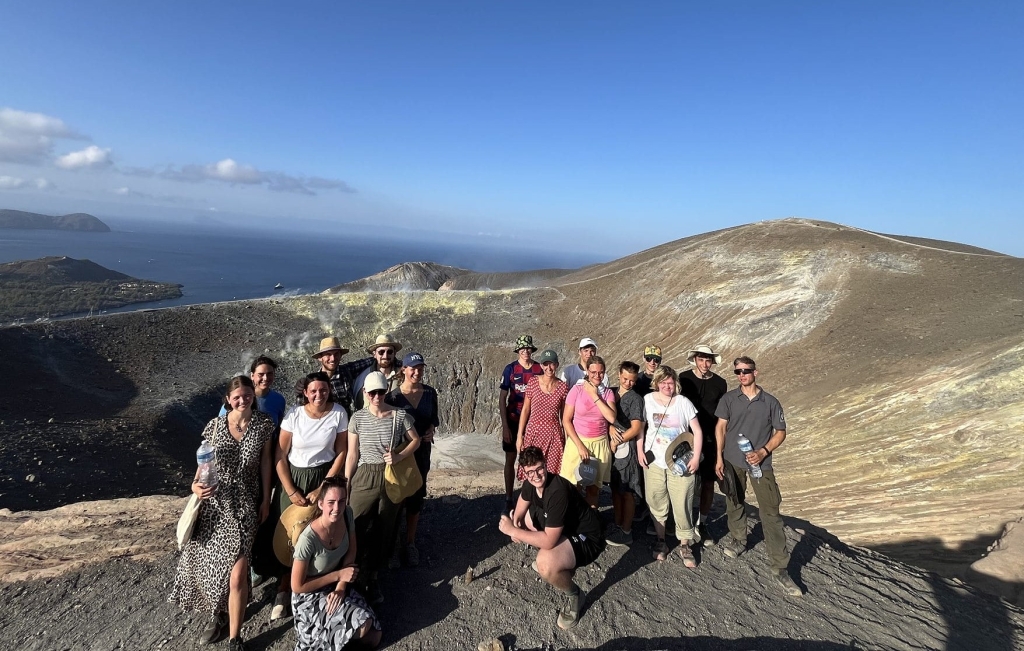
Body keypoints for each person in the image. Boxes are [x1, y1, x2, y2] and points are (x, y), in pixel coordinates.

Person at [170, 376, 275, 651]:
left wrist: (265, 499)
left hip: (245, 505)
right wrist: (194, 485)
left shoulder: (264, 425)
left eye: (247, 394)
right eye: (237, 396)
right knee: (213, 567)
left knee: (238, 572)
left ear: (253, 394)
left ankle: (235, 636)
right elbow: (204, 462)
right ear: (228, 399)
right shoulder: (215, 426)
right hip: (215, 505)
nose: (243, 400)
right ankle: (219, 613)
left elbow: (265, 463)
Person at [715, 356, 802, 596]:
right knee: (734, 500)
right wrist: (719, 457)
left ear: (756, 372)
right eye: (738, 372)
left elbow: (780, 432)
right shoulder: (729, 399)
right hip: (733, 459)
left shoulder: (770, 402)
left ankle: (780, 567)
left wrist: (764, 451)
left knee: (771, 512)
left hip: (761, 465)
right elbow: (720, 427)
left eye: (746, 371)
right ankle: (738, 539)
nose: (742, 375)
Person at [271, 372, 350, 620]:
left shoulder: (338, 413)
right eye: (313, 391)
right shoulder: (294, 415)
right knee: (291, 533)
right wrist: (291, 490)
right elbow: (280, 455)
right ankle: (286, 587)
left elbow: (341, 452)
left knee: (321, 530)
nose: (319, 395)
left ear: (329, 390)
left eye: (323, 390)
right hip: (294, 477)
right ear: (305, 392)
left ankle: (321, 582)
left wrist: (324, 487)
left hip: (323, 476)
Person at [499, 446, 606, 630]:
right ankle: (562, 561)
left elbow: (548, 540)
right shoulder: (530, 483)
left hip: (588, 537)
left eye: (539, 468)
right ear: (524, 473)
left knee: (545, 564)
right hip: (566, 528)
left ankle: (575, 595)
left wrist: (513, 531)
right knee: (525, 519)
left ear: (546, 465)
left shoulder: (557, 491)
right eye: (530, 472)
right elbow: (520, 508)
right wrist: (515, 522)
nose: (536, 475)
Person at [345, 371, 420, 605]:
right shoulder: (356, 418)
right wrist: (347, 483)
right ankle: (351, 576)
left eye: (380, 391)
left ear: (386, 391)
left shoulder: (400, 415)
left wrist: (399, 456)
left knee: (385, 527)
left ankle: (374, 575)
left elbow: (415, 440)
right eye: (372, 392)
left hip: (389, 476)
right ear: (365, 394)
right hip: (365, 475)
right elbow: (352, 454)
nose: (377, 396)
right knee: (355, 523)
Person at [217, 356, 287, 585]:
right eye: (261, 374)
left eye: (269, 374)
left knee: (261, 516)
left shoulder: (278, 400)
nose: (265, 378)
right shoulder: (238, 399)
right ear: (252, 375)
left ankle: (256, 562)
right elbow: (220, 436)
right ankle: (241, 566)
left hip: (264, 467)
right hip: (237, 474)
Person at [290, 476, 382, 650]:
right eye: (331, 502)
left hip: (335, 585)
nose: (337, 508)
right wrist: (339, 575)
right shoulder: (308, 539)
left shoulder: (347, 514)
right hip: (309, 595)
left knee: (374, 636)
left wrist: (340, 587)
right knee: (362, 626)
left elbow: (351, 551)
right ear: (321, 504)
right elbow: (297, 586)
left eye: (341, 501)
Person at [638, 366, 703, 567]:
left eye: (670, 382)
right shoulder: (647, 400)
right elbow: (641, 428)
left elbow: (697, 431)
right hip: (654, 460)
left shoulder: (683, 403)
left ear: (676, 383)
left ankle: (685, 544)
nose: (667, 386)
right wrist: (640, 450)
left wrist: (696, 457)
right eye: (663, 382)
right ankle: (661, 541)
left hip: (680, 462)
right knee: (656, 498)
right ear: (656, 383)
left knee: (682, 500)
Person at [385, 351, 439, 567]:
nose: (417, 372)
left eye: (420, 368)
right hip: (401, 455)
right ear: (404, 370)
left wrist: (432, 430)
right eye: (413, 368)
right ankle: (396, 544)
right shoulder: (393, 398)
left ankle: (410, 542)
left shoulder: (430, 393)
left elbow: (434, 417)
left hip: (423, 453)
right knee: (398, 496)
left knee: (417, 495)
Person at [679, 344, 729, 546]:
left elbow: (722, 416)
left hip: (709, 438)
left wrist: (720, 448)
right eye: (701, 359)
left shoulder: (720, 383)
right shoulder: (684, 378)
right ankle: (683, 522)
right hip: (686, 438)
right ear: (695, 360)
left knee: (708, 483)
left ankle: (703, 523)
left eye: (708, 360)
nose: (705, 363)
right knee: (685, 481)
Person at [560, 356, 616, 507]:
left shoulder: (607, 393)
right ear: (587, 371)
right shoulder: (576, 390)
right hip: (578, 443)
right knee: (573, 487)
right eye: (593, 372)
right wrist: (579, 446)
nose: (597, 376)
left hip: (599, 444)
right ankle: (573, 523)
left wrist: (594, 395)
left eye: (601, 372)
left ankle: (590, 524)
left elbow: (611, 417)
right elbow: (566, 420)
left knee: (593, 490)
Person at [499, 335, 543, 513]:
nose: (526, 351)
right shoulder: (510, 369)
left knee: (532, 459)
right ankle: (509, 497)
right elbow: (502, 398)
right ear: (518, 350)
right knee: (510, 458)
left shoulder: (539, 368)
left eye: (528, 348)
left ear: (532, 349)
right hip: (513, 419)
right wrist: (505, 426)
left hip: (533, 422)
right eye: (522, 348)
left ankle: (531, 496)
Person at [606, 361, 645, 547]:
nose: (628, 383)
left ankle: (627, 530)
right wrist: (610, 427)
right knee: (616, 488)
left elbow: (636, 427)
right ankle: (617, 523)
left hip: (626, 450)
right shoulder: (610, 392)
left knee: (627, 491)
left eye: (632, 380)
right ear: (619, 375)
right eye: (625, 378)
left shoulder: (636, 399)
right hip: (613, 451)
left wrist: (616, 440)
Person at [515, 349, 569, 479]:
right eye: (546, 364)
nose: (549, 368)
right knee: (532, 471)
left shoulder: (563, 387)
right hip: (533, 433)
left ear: (557, 365)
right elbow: (526, 410)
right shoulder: (533, 382)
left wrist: (567, 440)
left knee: (551, 474)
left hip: (554, 435)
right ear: (541, 365)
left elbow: (564, 417)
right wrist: (519, 436)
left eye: (552, 364)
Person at [312, 337, 375, 416]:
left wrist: (394, 364)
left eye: (336, 354)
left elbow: (372, 360)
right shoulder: (314, 383)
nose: (333, 358)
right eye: (328, 354)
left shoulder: (346, 370)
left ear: (341, 355)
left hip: (350, 422)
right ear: (320, 358)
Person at [352, 334, 404, 411]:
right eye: (381, 352)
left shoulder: (403, 375)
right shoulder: (363, 378)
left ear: (395, 353)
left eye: (389, 352)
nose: (385, 356)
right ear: (374, 354)